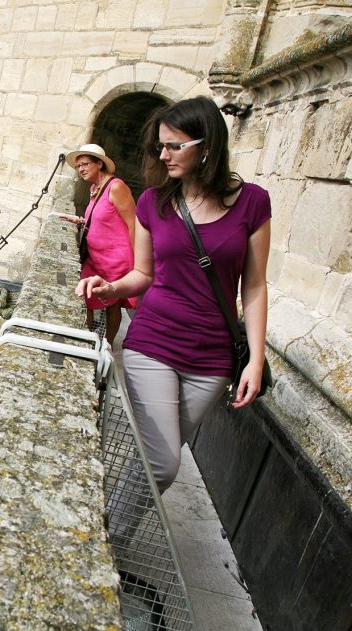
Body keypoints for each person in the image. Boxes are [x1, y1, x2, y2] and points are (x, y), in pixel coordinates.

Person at [76, 96, 271, 495]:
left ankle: (111, 535)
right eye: (160, 146)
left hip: (212, 359)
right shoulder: (153, 202)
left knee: (149, 465)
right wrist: (110, 287)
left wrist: (255, 358)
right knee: (163, 465)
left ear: (208, 146)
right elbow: (143, 273)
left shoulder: (253, 202)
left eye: (174, 146)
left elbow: (253, 285)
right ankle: (109, 537)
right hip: (153, 343)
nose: (163, 155)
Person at [58, 143, 138, 345]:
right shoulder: (95, 188)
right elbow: (103, 218)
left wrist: (137, 262)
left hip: (116, 259)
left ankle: (107, 345)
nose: (81, 169)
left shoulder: (116, 187)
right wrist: (82, 221)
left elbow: (133, 223)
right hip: (96, 257)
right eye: (78, 167)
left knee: (111, 303)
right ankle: (88, 341)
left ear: (99, 164)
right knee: (86, 297)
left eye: (85, 164)